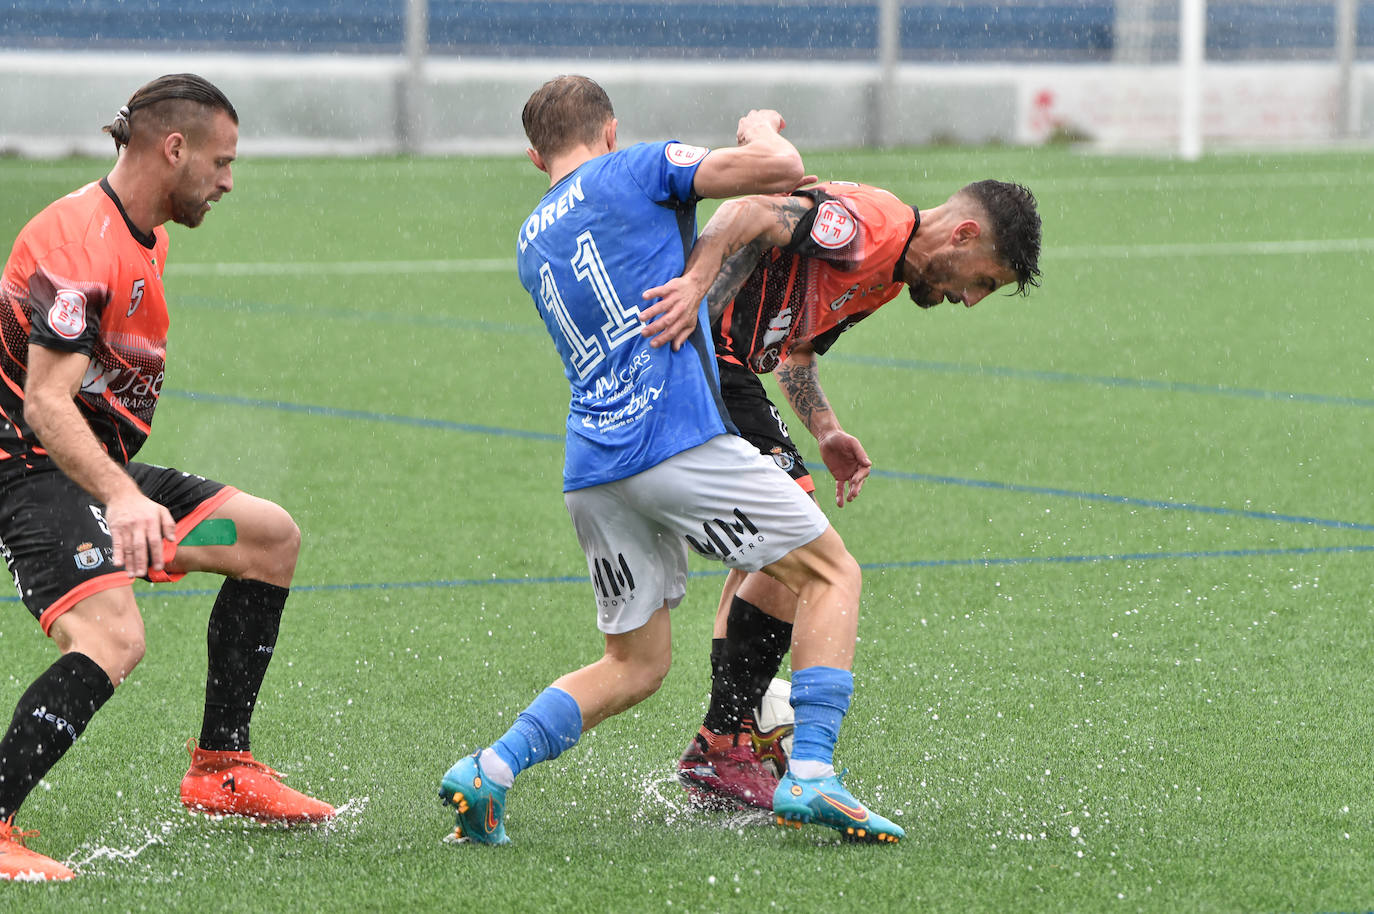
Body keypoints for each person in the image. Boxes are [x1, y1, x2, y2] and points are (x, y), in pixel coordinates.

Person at [439, 75, 903, 845]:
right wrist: (757, 125)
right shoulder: (635, 167)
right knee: (830, 572)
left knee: (636, 664)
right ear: (611, 132)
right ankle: (813, 772)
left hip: (594, 468)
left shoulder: (531, 237)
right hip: (673, 442)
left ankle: (490, 768)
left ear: (533, 156)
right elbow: (780, 172)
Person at [0, 74, 333, 882]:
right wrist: (120, 498)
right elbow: (45, 404)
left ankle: (221, 765)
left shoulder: (147, 231)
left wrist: (121, 493)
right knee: (113, 638)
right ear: (172, 148)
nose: (227, 181)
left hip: (97, 476)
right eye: (219, 162)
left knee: (267, 538)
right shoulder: (80, 245)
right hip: (29, 472)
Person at [638, 178, 1042, 808]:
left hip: (728, 370)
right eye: (982, 281)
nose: (969, 300)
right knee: (800, 541)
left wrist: (824, 428)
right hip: (706, 363)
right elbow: (748, 212)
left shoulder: (886, 275)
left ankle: (731, 739)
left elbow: (795, 353)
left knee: (778, 546)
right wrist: (695, 289)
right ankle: (723, 744)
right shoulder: (869, 230)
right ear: (963, 235)